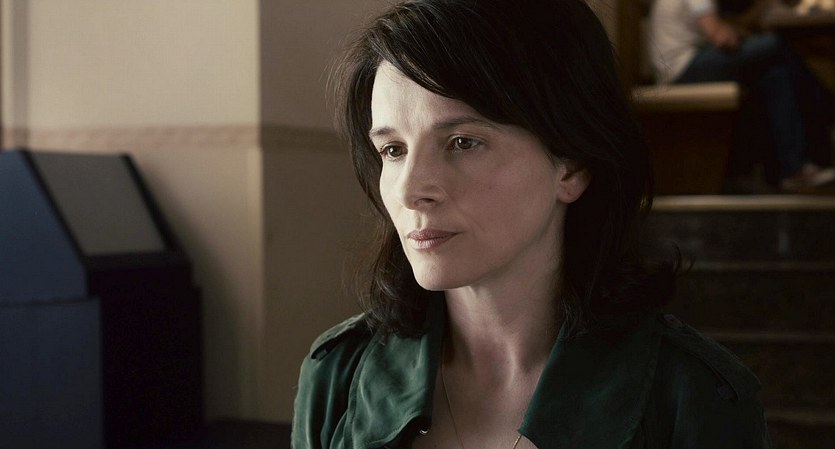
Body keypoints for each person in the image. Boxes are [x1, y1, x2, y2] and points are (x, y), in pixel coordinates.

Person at [293, 1, 771, 448]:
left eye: (462, 142)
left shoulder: (696, 398)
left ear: (571, 164)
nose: (410, 189)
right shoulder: (336, 375)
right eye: (393, 150)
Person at [649, 0, 835, 192]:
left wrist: (738, 33)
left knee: (775, 76)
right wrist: (738, 34)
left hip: (683, 65)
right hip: (681, 69)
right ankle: (827, 108)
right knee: (775, 44)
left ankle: (794, 169)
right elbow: (721, 37)